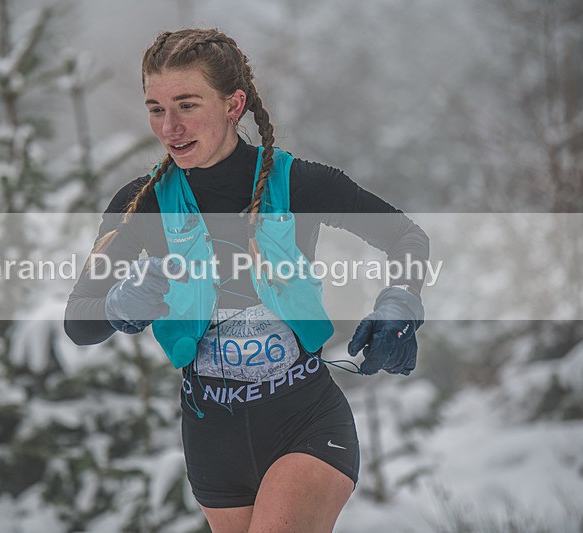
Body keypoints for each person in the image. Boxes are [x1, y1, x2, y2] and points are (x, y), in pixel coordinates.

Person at [65, 28, 428, 532]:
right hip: (212, 441)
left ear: (234, 104)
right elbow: (78, 320)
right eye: (155, 109)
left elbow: (406, 237)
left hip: (306, 423)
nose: (169, 127)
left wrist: (398, 303)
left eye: (187, 105)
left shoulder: (298, 183)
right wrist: (122, 304)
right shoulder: (140, 205)